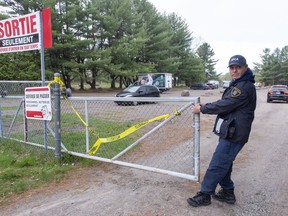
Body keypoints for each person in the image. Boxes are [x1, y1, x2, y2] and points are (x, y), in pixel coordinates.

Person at [187, 55, 257, 207]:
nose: (234, 70)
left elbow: (225, 104)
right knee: (225, 162)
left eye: (238, 67)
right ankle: (227, 192)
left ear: (245, 67)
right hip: (231, 130)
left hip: (235, 133)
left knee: (218, 163)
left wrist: (202, 108)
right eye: (232, 68)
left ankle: (205, 194)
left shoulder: (244, 87)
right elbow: (225, 104)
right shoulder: (238, 84)